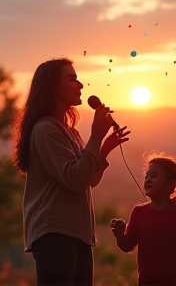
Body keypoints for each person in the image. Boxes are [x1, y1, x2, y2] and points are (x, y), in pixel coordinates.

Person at [12, 58, 130, 286]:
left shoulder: (70, 132)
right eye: (72, 79)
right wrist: (96, 136)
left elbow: (88, 180)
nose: (81, 85)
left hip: (77, 234)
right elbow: (75, 180)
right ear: (53, 87)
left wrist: (103, 148)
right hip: (56, 234)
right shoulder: (46, 130)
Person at [110, 153, 176, 286]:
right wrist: (119, 235)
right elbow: (127, 246)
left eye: (153, 176)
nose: (148, 179)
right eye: (146, 176)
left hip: (175, 282)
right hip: (146, 282)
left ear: (170, 184)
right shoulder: (138, 212)